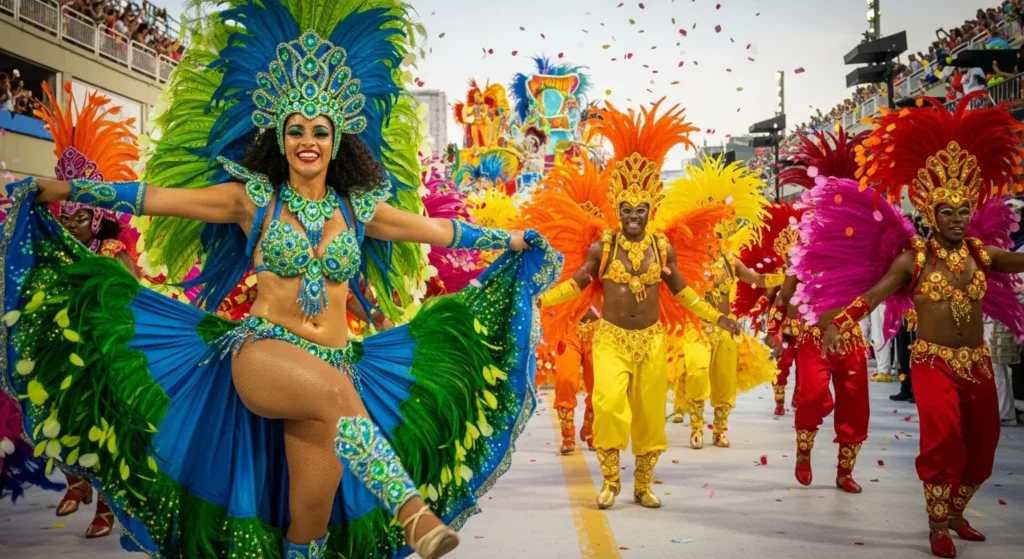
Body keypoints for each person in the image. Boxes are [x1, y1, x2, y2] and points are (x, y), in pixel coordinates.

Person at [1, 2, 560, 558]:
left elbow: (439, 231)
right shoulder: (253, 200)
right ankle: (411, 511)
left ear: (338, 140)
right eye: (295, 130)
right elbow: (154, 197)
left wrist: (512, 240)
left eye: (319, 130)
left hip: (334, 363)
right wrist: (69, 190)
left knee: (308, 524)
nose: (307, 140)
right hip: (265, 353)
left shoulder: (359, 209)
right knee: (339, 397)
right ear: (279, 137)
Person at [804, 94, 1024, 558]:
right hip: (932, 363)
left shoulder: (982, 254)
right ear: (930, 213)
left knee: (985, 445)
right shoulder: (913, 260)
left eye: (963, 211)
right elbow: (872, 297)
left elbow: (1018, 259)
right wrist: (837, 322)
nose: (957, 219)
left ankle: (957, 511)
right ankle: (937, 524)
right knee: (942, 439)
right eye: (948, 211)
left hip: (977, 362)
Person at [532, 100, 740, 509]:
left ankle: (643, 485)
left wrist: (717, 317)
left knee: (649, 415)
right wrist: (543, 299)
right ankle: (611, 481)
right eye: (626, 210)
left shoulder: (662, 248)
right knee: (608, 405)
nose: (632, 216)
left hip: (651, 340)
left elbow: (683, 292)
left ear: (650, 209)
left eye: (639, 210)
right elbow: (577, 283)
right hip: (611, 339)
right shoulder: (602, 247)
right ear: (617, 208)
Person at [770, 127, 872, 495]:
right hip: (813, 338)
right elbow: (784, 296)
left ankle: (845, 472)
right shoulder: (803, 249)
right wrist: (776, 329)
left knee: (855, 408)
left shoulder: (864, 248)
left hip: (850, 338)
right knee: (813, 397)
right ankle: (804, 452)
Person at [659, 156, 778, 449]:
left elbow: (757, 279)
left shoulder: (729, 260)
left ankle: (720, 429)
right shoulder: (688, 261)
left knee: (724, 381)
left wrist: (784, 276)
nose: (715, 232)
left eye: (720, 226)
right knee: (697, 372)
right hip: (696, 327)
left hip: (724, 330)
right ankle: (697, 427)